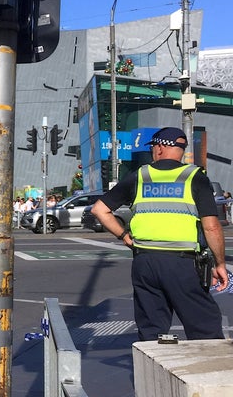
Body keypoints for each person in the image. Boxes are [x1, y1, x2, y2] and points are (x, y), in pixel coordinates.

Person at [91, 127, 228, 341]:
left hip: (144, 261)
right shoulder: (195, 177)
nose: (153, 151)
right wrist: (220, 264)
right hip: (182, 263)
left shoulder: (140, 176)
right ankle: (202, 373)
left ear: (161, 147)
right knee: (205, 327)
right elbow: (211, 226)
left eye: (153, 147)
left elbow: (99, 209)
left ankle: (153, 371)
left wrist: (124, 236)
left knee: (152, 330)